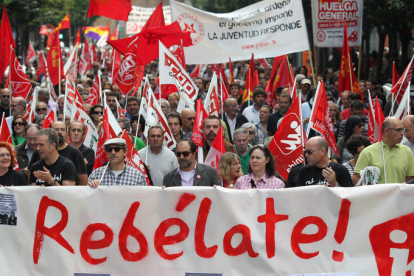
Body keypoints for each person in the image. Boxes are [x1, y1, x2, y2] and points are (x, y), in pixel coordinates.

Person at [353, 117, 414, 184]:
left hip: (398, 194)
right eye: (398, 130)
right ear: (387, 131)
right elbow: (356, 178)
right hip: (376, 194)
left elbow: (410, 180)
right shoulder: (368, 152)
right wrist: (370, 188)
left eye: (403, 129)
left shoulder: (407, 151)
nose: (402, 133)